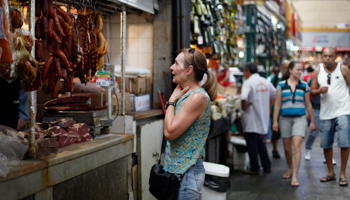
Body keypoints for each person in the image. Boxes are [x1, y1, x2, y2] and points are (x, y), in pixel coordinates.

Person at [163, 48, 218, 199]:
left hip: (187, 174)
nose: (171, 67)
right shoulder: (185, 94)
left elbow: (169, 133)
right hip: (177, 171)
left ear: (189, 70)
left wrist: (171, 102)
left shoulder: (197, 98)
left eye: (176, 63)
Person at [310, 47, 350, 187]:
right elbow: (312, 92)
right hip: (326, 113)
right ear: (322, 57)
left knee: (344, 142)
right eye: (325, 56)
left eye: (330, 56)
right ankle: (331, 172)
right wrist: (319, 90)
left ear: (335, 57)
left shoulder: (343, 69)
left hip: (343, 110)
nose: (328, 59)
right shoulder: (318, 71)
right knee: (326, 144)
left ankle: (342, 174)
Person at [273, 61, 316, 187]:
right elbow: (277, 104)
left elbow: (308, 104)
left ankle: (295, 175)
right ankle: (290, 167)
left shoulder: (304, 85)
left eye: (301, 70)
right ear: (290, 70)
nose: (300, 72)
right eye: (297, 69)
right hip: (284, 119)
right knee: (287, 148)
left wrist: (312, 121)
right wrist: (275, 121)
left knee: (296, 146)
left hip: (300, 118)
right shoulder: (281, 85)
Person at [240, 62, 276, 175]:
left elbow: (243, 98)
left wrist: (244, 106)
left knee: (252, 144)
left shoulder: (248, 82)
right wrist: (269, 107)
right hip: (262, 117)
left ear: (247, 71)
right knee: (261, 142)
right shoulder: (265, 82)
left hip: (251, 118)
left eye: (244, 71)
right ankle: (267, 165)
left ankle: (254, 168)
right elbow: (274, 94)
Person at [270, 60, 290, 158]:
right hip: (276, 109)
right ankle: (275, 148)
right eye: (286, 67)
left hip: (288, 109)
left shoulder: (292, 79)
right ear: (282, 68)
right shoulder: (274, 79)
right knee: (275, 130)